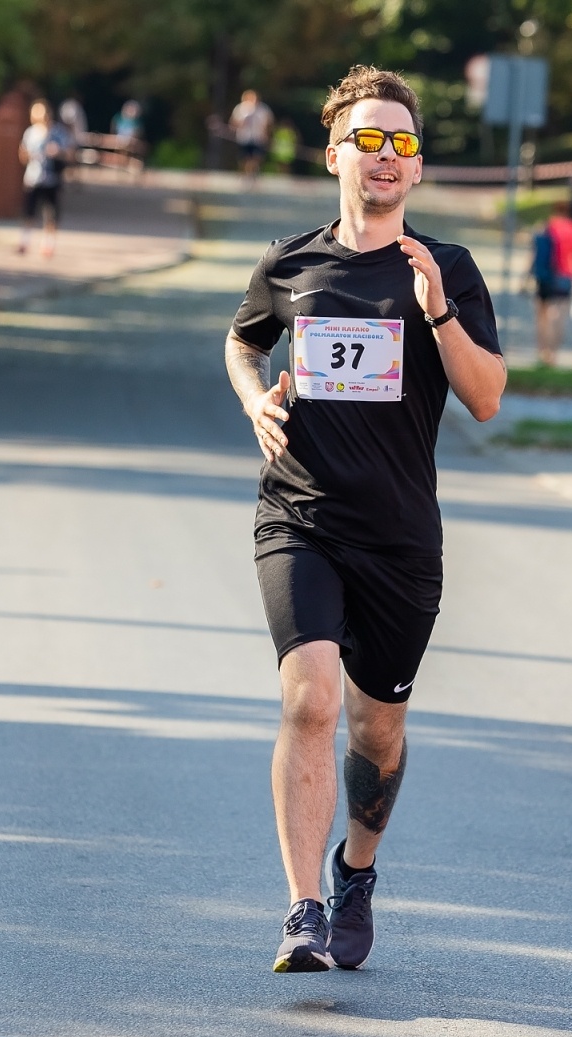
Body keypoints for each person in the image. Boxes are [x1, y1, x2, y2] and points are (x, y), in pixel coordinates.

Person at [224, 65, 505, 973]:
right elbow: (243, 339)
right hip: (299, 518)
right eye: (369, 140)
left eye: (403, 144)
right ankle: (302, 908)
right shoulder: (290, 261)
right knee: (309, 698)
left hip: (398, 538)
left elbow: (489, 398)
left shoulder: (447, 269)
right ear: (337, 152)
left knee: (375, 729)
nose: (385, 157)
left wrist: (436, 315)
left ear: (416, 170)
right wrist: (251, 401)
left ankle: (356, 870)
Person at [530, 200, 572, 367]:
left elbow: (534, 254)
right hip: (565, 276)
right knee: (559, 316)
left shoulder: (545, 226)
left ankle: (542, 352)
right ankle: (554, 354)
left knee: (542, 316)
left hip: (544, 276)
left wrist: (525, 277)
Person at [17, 101, 69, 258]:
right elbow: (22, 154)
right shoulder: (30, 133)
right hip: (33, 178)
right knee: (29, 212)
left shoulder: (58, 132)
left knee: (51, 214)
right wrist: (29, 155)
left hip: (52, 179)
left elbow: (69, 153)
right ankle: (25, 241)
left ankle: (48, 244)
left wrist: (58, 152)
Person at [229, 89, 274, 182]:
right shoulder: (240, 109)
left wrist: (267, 134)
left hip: (258, 137)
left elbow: (269, 123)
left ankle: (252, 174)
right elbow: (233, 122)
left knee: (256, 157)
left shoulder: (263, 109)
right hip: (244, 137)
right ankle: (244, 175)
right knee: (244, 158)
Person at [111, 100, 146, 179]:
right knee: (122, 153)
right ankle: (121, 169)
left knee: (132, 153)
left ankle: (128, 169)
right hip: (121, 140)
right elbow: (114, 127)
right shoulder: (120, 117)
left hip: (131, 141)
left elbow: (138, 132)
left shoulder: (136, 121)